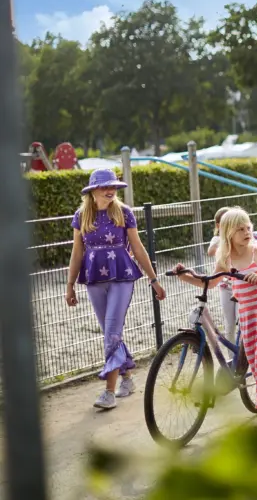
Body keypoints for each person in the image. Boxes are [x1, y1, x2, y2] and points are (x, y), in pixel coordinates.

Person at [176, 208, 257, 426]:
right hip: (247, 317)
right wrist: (186, 277)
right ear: (229, 232)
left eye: (248, 227)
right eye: (240, 229)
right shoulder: (225, 259)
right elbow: (211, 283)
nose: (246, 232)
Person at [65, 169, 167, 410]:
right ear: (92, 191)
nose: (110, 190)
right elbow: (77, 252)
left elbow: (138, 248)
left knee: (111, 330)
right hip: (93, 279)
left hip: (122, 277)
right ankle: (128, 379)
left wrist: (154, 279)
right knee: (111, 332)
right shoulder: (81, 216)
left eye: (113, 187)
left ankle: (108, 393)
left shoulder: (124, 213)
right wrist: (69, 286)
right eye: (104, 187)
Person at [208, 207, 238, 349]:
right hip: (225, 286)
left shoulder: (237, 239)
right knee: (229, 323)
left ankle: (244, 357)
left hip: (240, 286)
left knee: (242, 322)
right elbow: (211, 251)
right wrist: (224, 244)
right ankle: (232, 358)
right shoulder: (217, 239)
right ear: (219, 226)